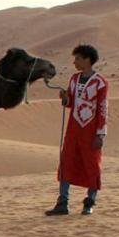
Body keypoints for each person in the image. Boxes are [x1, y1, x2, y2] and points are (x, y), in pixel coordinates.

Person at [46, 44, 108, 216]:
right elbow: (71, 103)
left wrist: (100, 134)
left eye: (78, 58)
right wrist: (65, 98)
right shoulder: (74, 79)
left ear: (87, 60)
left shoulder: (100, 82)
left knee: (92, 164)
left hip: (91, 130)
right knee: (66, 162)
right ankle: (62, 202)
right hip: (73, 128)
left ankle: (89, 202)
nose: (75, 62)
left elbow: (103, 108)